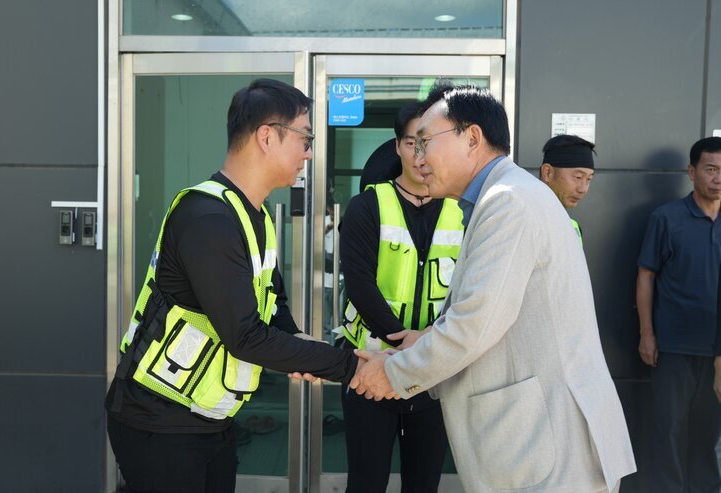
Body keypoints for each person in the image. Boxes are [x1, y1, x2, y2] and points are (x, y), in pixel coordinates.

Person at [350, 82, 636, 493]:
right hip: (539, 445)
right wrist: (423, 340)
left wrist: (393, 374)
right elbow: (493, 314)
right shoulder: (503, 197)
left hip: (547, 449)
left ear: (472, 138)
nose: (418, 157)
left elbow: (474, 325)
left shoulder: (509, 202)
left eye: (427, 142)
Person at [105, 79, 359, 493]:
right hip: (159, 421)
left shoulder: (254, 216)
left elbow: (272, 303)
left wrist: (298, 341)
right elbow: (245, 335)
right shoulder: (208, 218)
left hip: (210, 417)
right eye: (305, 138)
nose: (309, 153)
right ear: (266, 137)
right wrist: (349, 367)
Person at [339, 102, 462, 492]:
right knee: (366, 481)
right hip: (370, 369)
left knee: (424, 482)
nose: (421, 156)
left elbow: (469, 292)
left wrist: (423, 352)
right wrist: (405, 346)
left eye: (429, 143)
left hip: (433, 373)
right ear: (397, 147)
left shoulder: (462, 211)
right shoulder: (367, 206)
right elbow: (359, 285)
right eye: (412, 143)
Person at [636, 136, 721, 493]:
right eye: (711, 169)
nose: (718, 178)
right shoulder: (666, 218)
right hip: (673, 346)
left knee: (708, 433)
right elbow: (646, 276)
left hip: (717, 352)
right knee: (668, 431)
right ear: (691, 171)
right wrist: (647, 333)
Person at [539, 134, 595, 244]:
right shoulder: (524, 221)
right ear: (547, 172)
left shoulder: (573, 227)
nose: (583, 189)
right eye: (578, 177)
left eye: (589, 179)